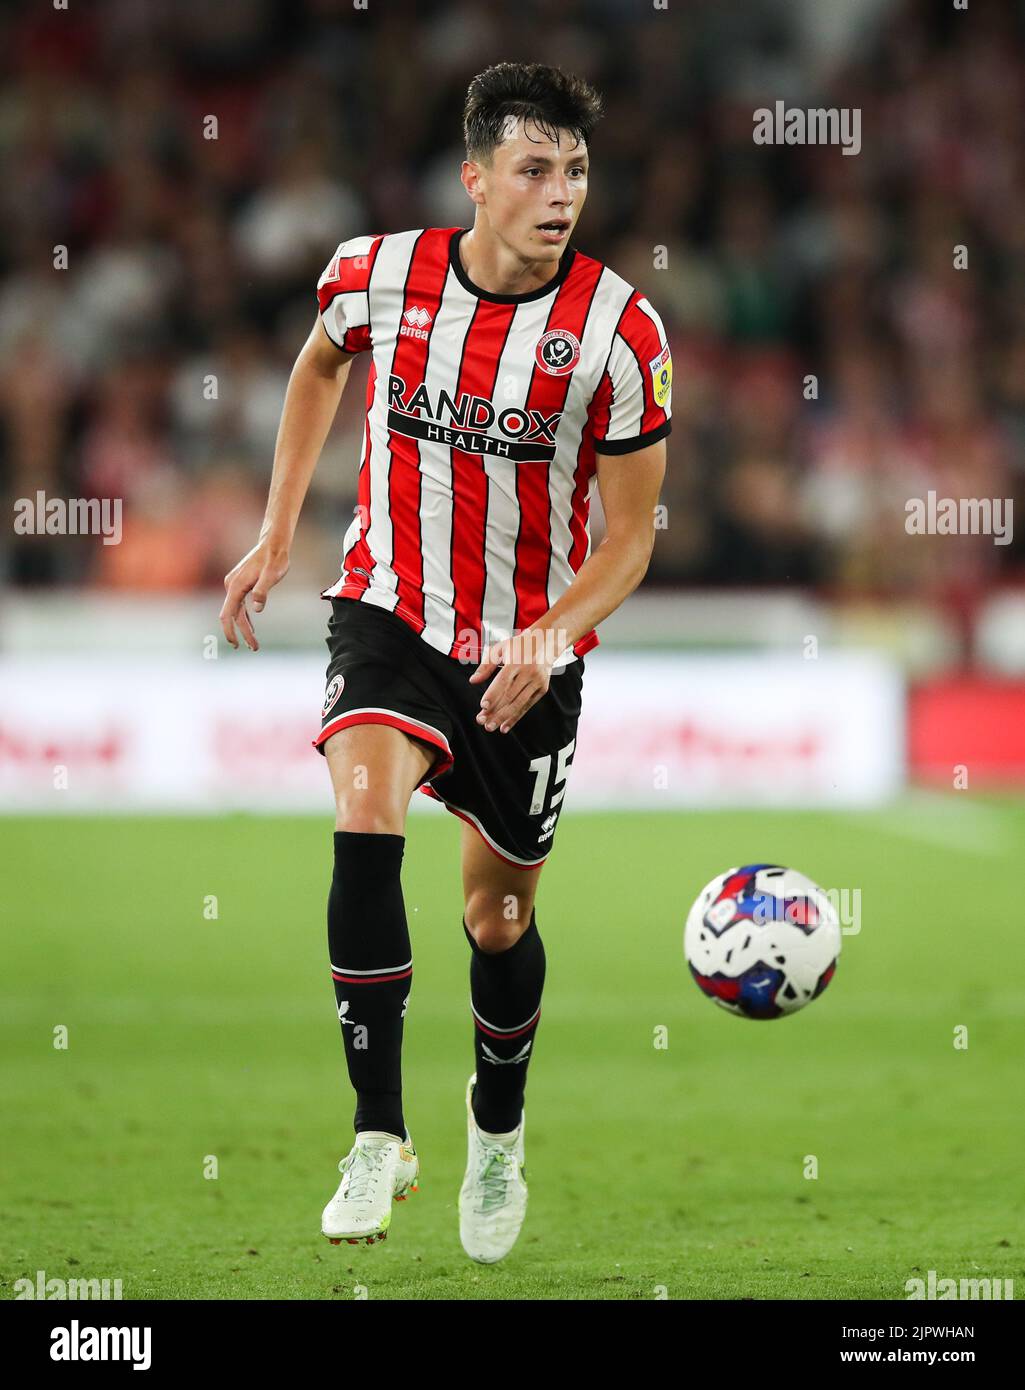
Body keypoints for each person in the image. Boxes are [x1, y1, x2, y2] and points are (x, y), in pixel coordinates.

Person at [219, 61, 671, 1265]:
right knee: (363, 811)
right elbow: (321, 362)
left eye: (574, 170)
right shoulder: (375, 274)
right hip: (387, 611)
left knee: (496, 914)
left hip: (528, 649)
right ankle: (376, 1133)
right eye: (533, 169)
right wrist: (277, 527)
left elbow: (629, 540)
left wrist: (552, 632)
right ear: (474, 178)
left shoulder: (621, 331)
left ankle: (498, 1128)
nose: (559, 191)